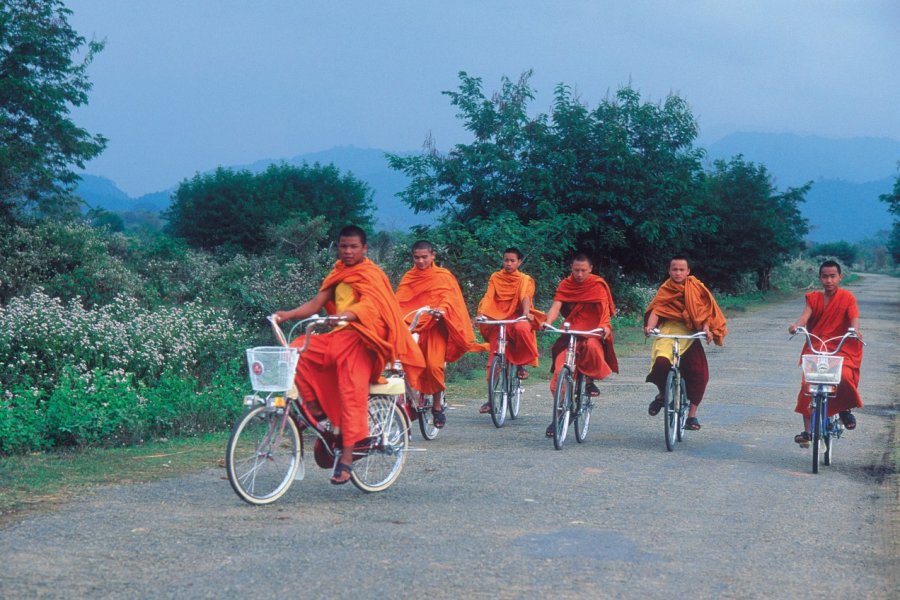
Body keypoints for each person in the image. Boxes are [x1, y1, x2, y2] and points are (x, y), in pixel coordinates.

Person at [274, 226, 424, 485]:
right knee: (297, 349)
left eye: (354, 246)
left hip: (365, 341)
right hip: (339, 337)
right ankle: (315, 411)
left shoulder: (371, 274)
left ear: (365, 249)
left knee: (349, 387)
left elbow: (371, 305)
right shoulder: (338, 272)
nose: (348, 251)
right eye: (343, 246)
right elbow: (316, 303)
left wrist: (347, 315)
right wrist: (287, 314)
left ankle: (346, 455)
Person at [395, 240, 480, 428]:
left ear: (433, 256)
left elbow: (449, 298)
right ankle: (409, 401)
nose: (421, 261)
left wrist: (441, 310)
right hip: (413, 326)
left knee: (434, 367)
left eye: (425, 257)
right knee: (401, 364)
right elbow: (399, 301)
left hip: (435, 327)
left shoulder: (443, 276)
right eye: (416, 257)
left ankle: (436, 406)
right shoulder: (409, 277)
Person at [643, 256, 727, 431]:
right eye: (675, 269)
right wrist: (650, 327)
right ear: (669, 271)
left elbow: (703, 312)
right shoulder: (665, 288)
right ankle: (662, 395)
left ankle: (692, 416)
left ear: (688, 271)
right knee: (660, 363)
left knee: (699, 372)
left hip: (690, 332)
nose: (678, 273)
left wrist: (706, 329)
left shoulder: (695, 287)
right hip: (668, 330)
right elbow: (657, 310)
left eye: (682, 269)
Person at [788, 260, 864, 447]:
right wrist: (797, 326)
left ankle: (844, 409)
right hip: (817, 346)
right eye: (825, 276)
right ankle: (807, 432)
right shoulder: (813, 298)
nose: (829, 280)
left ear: (840, 277)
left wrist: (854, 330)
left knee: (844, 377)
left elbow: (854, 318)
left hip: (840, 347)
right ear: (820, 278)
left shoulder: (847, 298)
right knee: (808, 384)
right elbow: (805, 316)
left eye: (833, 276)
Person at [542, 253, 619, 437]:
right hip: (572, 330)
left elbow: (603, 309)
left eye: (583, 270)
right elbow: (556, 306)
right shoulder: (565, 284)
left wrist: (604, 326)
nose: (579, 274)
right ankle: (559, 414)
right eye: (576, 270)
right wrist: (548, 322)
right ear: (571, 268)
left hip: (592, 330)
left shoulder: (597, 285)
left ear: (590, 269)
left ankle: (589, 382)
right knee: (560, 372)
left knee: (593, 348)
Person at [475, 247, 542, 414]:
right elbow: (489, 296)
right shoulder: (495, 277)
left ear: (519, 262)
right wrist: (481, 314)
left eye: (512, 261)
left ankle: (520, 365)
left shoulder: (525, 279)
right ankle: (491, 400)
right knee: (493, 359)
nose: (509, 263)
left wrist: (526, 314)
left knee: (522, 329)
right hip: (498, 317)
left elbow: (525, 297)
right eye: (506, 260)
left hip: (517, 316)